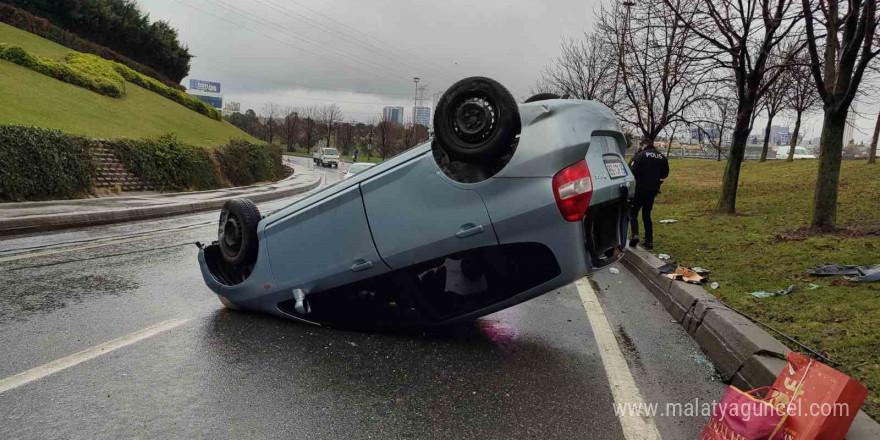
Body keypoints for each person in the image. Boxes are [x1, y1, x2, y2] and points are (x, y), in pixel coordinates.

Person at [629, 140, 669, 250]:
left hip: (639, 189)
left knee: (633, 213)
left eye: (641, 146)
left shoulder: (640, 156)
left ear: (644, 145)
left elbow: (632, 170)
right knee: (647, 214)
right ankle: (649, 240)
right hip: (652, 190)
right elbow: (665, 174)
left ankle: (635, 235)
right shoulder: (662, 157)